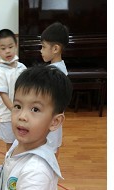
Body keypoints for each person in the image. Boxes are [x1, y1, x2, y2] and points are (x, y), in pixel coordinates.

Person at [0, 28, 27, 151]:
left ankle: (21, 161)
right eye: (3, 48)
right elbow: (3, 94)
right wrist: (14, 110)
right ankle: (10, 161)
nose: (7, 51)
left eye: (10, 47)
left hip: (23, 113)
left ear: (16, 46)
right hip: (7, 116)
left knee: (22, 139)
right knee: (10, 143)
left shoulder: (22, 67)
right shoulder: (0, 71)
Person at [40, 22, 69, 157]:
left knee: (48, 152)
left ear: (55, 48)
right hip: (55, 120)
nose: (41, 50)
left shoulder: (54, 73)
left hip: (49, 120)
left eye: (43, 46)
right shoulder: (61, 67)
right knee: (54, 149)